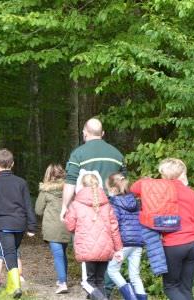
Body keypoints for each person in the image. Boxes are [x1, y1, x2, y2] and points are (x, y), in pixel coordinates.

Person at [60, 117, 125, 297]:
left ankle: (94, 293)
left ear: (84, 133)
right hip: (112, 208)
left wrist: (65, 207)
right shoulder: (117, 154)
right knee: (108, 252)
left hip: (86, 212)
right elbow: (122, 185)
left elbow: (70, 182)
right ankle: (106, 292)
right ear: (103, 134)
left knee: (89, 254)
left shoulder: (78, 154)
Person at [131, 158, 194, 300]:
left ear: (163, 174)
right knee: (185, 288)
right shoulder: (191, 193)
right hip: (193, 244)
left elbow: (133, 189)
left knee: (170, 287)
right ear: (181, 173)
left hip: (173, 244)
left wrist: (147, 181)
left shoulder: (156, 188)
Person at [0, 149, 37, 298]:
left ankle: (15, 287)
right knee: (12, 252)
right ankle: (14, 284)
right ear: (12, 164)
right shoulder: (21, 182)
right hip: (19, 225)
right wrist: (32, 226)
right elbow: (28, 206)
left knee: (9, 253)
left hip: (1, 225)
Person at [64, 173, 123, 300]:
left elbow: (70, 227)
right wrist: (118, 249)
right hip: (106, 248)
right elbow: (114, 228)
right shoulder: (107, 204)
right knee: (100, 281)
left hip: (87, 248)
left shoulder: (76, 204)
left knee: (88, 282)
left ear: (81, 185)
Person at [105, 173, 147, 300]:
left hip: (123, 243)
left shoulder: (114, 203)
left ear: (112, 189)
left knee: (112, 270)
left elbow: (113, 224)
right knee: (135, 275)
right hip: (138, 242)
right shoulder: (136, 201)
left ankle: (131, 298)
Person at [35, 164, 71, 294]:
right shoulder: (69, 189)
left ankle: (62, 282)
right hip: (67, 225)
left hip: (51, 226)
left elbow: (38, 210)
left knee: (58, 254)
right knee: (63, 253)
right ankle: (63, 279)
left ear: (48, 175)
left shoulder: (45, 191)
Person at [0, 168, 25, 291]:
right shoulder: (11, 189)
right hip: (9, 228)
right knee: (13, 254)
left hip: (1, 229)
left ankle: (3, 280)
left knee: (1, 255)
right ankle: (17, 278)